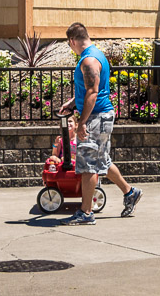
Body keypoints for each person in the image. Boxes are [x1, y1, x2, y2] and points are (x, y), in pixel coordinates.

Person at [57, 21, 141, 224]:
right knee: (101, 160)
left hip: (96, 117)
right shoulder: (96, 55)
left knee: (88, 166)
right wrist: (71, 104)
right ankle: (130, 192)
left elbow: (93, 93)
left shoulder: (88, 61)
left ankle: (86, 213)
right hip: (100, 115)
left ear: (72, 41)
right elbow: (92, 90)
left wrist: (82, 122)